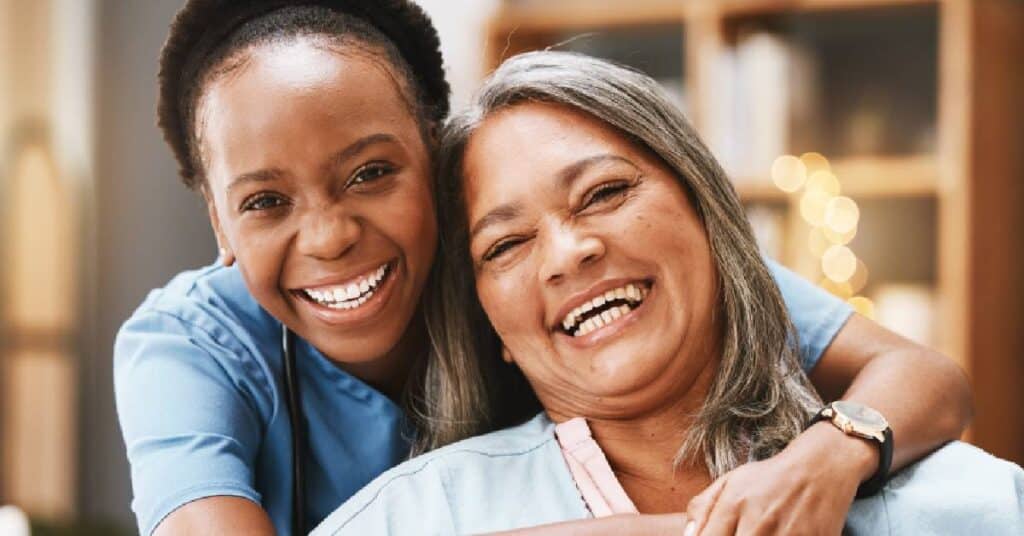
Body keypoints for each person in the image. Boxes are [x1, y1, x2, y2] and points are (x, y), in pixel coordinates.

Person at [115, 2, 971, 534]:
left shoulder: (601, 263)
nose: (331, 235)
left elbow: (921, 376)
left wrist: (825, 460)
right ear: (218, 221)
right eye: (265, 201)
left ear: (435, 160)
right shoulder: (191, 345)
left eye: (371, 173)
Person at [313, 51, 1023, 535]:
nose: (568, 251)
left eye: (604, 193)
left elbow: (933, 378)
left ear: (709, 215)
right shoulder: (411, 518)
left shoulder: (968, 503)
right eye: (505, 245)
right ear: (487, 322)